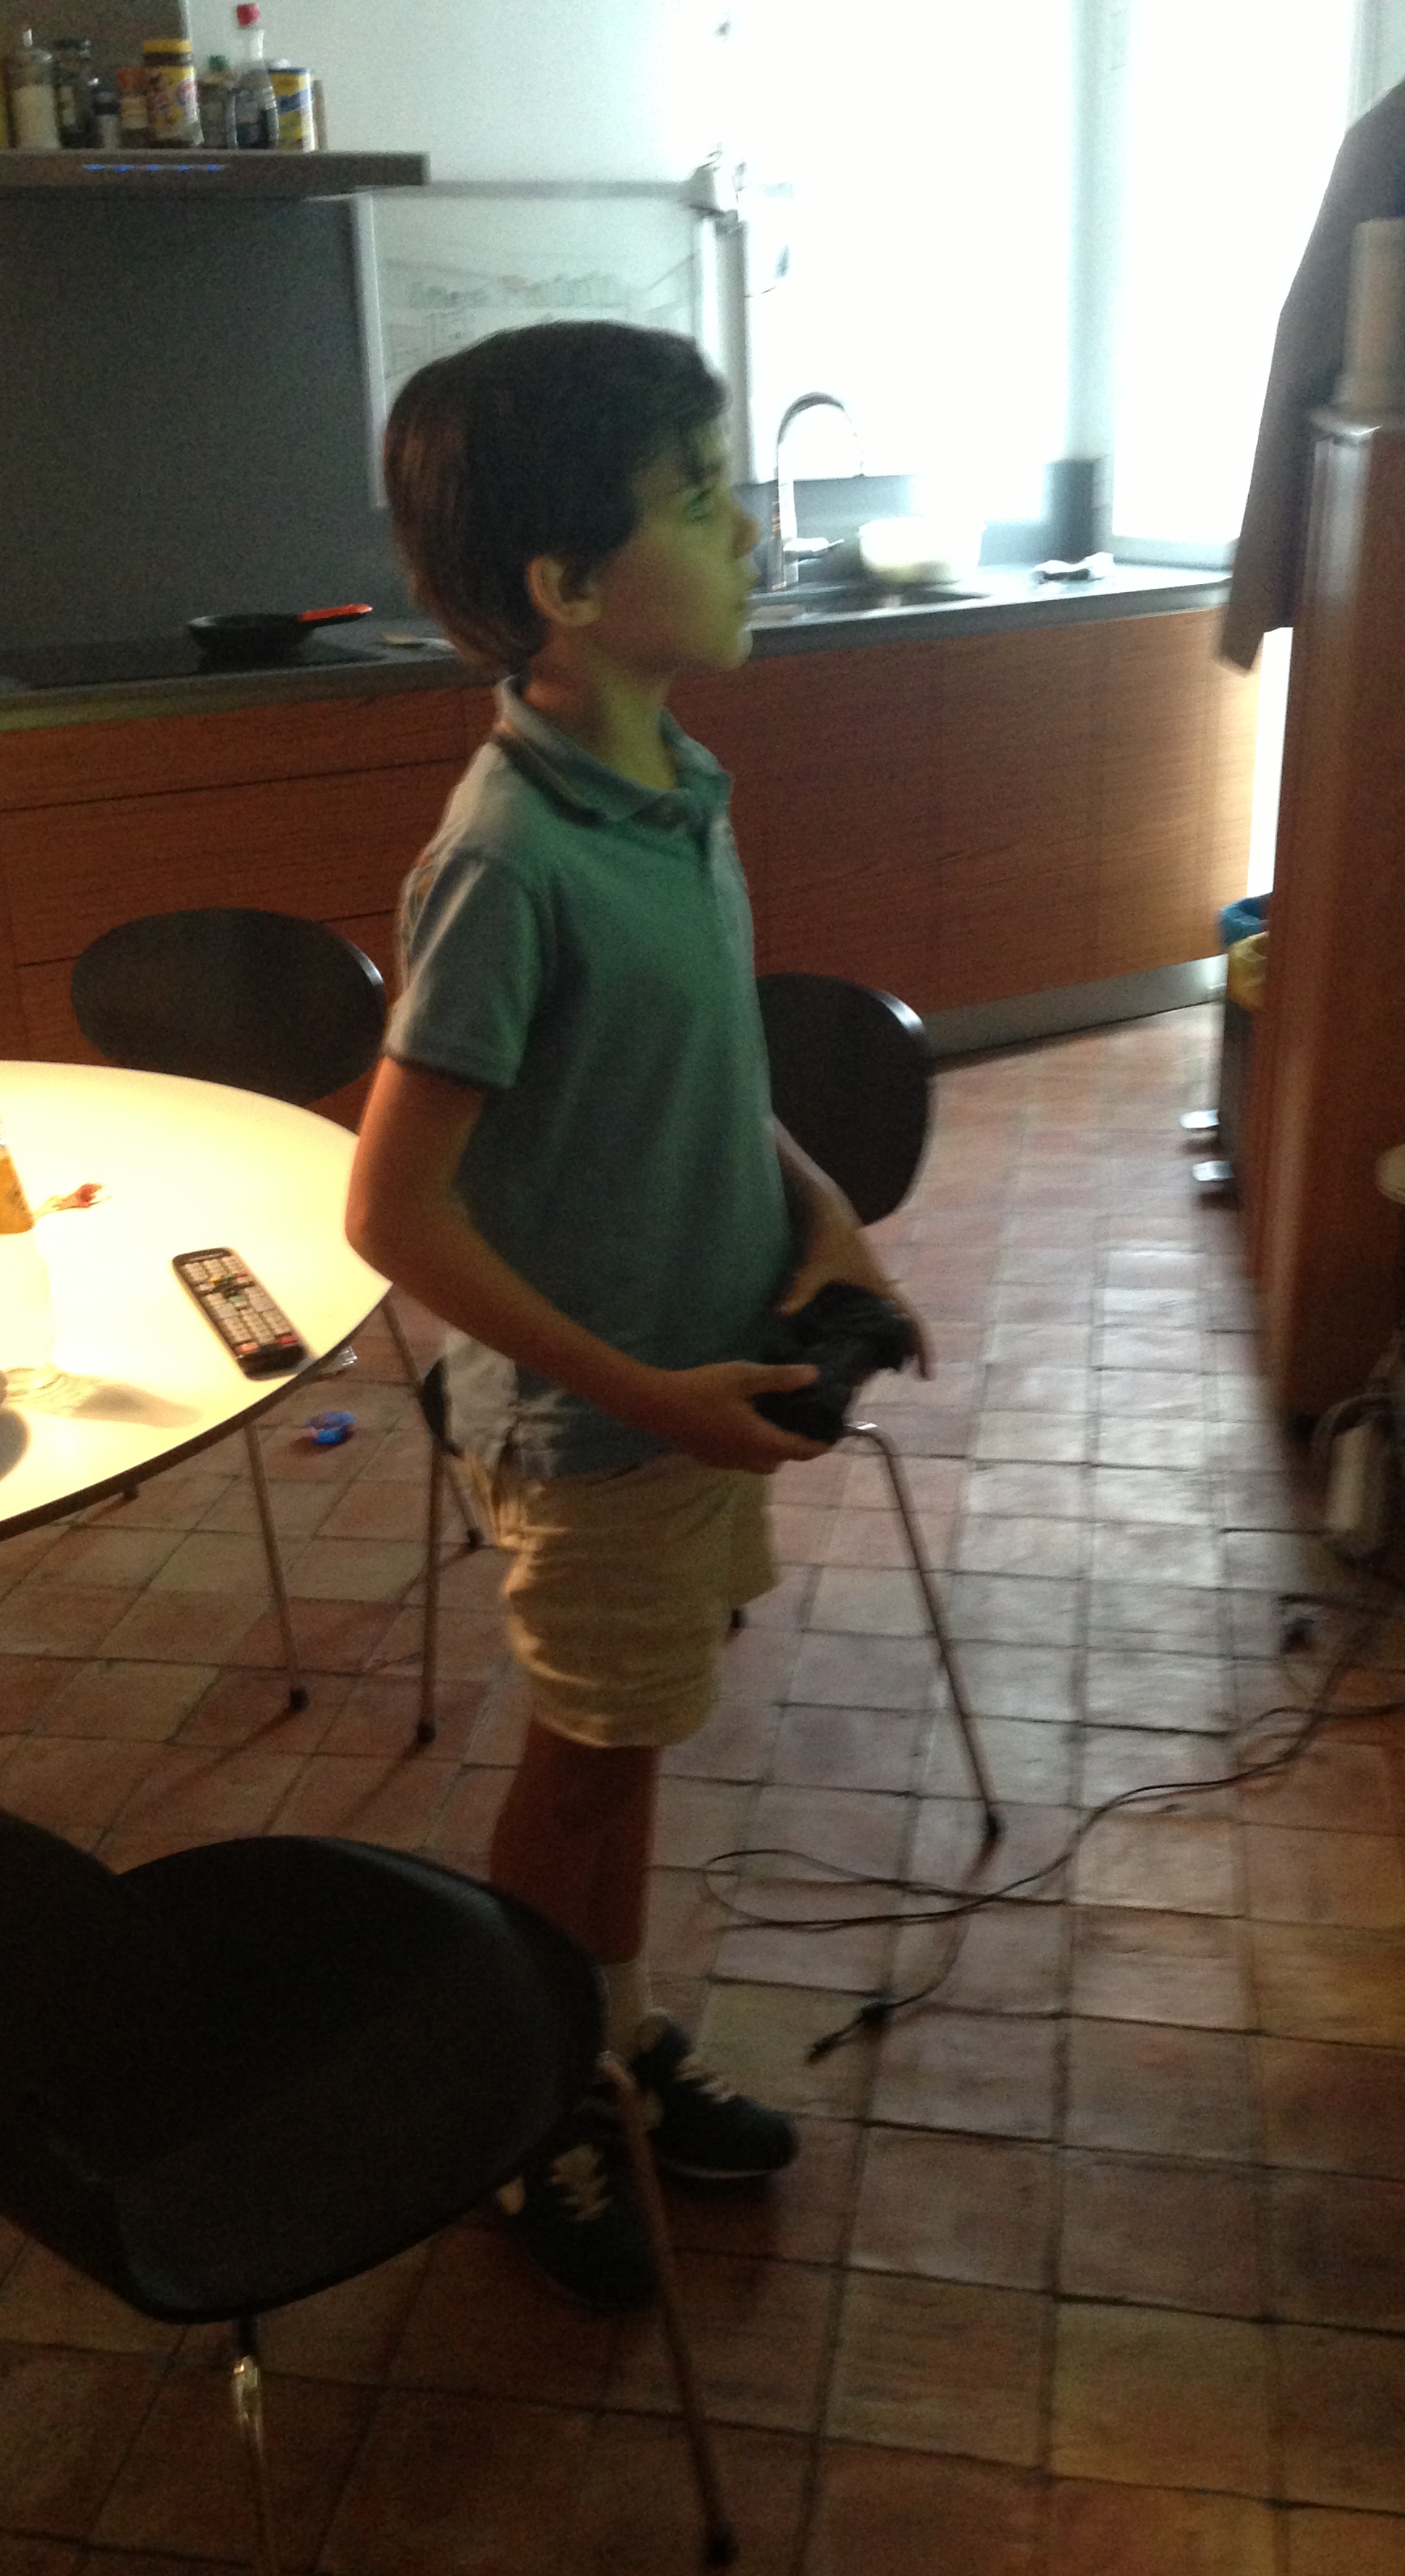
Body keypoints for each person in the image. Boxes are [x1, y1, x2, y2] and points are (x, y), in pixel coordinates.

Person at [345, 320, 924, 2310]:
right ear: (567, 587)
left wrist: (826, 1219)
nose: (748, 528)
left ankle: (604, 2031)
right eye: (699, 498)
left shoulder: (670, 780)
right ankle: (530, 2112)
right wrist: (649, 1399)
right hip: (601, 1431)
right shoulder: (506, 862)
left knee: (637, 1738)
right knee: (582, 1769)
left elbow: (699, 1079)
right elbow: (391, 1212)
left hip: (694, 1391)